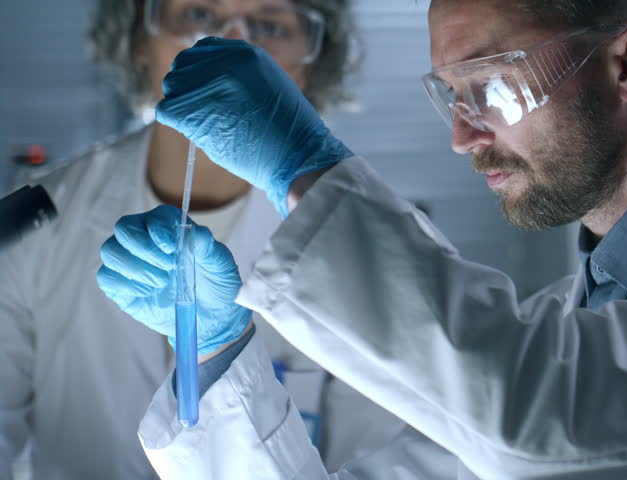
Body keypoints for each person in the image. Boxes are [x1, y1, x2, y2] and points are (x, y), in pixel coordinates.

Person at [97, 0, 627, 478]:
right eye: (449, 96)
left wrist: (305, 171)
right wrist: (216, 351)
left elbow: (554, 435)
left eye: (490, 86)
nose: (462, 136)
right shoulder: (576, 325)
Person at [0, 0, 407, 478]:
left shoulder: (358, 251)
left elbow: (374, 461)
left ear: (313, 60)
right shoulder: (30, 220)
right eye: (196, 14)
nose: (232, 41)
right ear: (139, 41)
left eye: (270, 25)